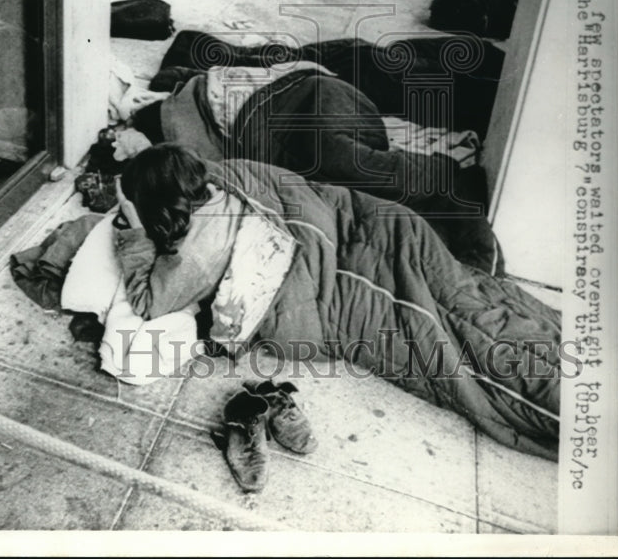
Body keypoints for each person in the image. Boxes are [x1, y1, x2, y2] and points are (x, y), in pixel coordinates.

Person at [113, 142, 561, 461]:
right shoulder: (229, 175)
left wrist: (133, 229)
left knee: (449, 348)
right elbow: (297, 187)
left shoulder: (192, 257)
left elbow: (149, 302)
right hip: (384, 229)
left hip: (341, 288)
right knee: (470, 302)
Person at [130, 59, 500, 275]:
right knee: (346, 197)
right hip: (289, 131)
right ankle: (443, 200)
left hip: (304, 101)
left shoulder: (190, 115)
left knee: (346, 165)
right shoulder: (194, 155)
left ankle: (446, 176)